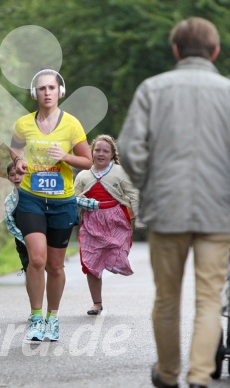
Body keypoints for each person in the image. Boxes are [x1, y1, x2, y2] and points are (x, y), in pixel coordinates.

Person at [118, 17, 230, 388]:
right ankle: (200, 377)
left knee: (167, 298)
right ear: (214, 51)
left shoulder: (152, 89)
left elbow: (130, 151)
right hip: (219, 213)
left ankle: (167, 373)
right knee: (210, 298)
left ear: (176, 50)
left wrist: (150, 187)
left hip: (166, 211)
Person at [10, 69, 92, 342]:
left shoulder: (72, 125)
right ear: (35, 93)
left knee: (55, 266)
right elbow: (15, 150)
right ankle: (35, 318)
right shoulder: (23, 124)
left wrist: (65, 156)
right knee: (37, 259)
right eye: (42, 88)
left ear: (60, 92)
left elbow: (88, 161)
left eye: (51, 88)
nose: (47, 93)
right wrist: (19, 161)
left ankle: (52, 319)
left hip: (61, 202)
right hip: (31, 197)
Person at [73, 135, 139, 315]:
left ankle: (113, 263)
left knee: (117, 253)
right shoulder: (83, 175)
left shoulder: (119, 172)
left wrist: (139, 218)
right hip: (91, 222)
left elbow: (134, 194)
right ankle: (97, 303)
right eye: (97, 150)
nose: (101, 154)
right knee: (90, 262)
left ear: (111, 154)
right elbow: (72, 198)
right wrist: (82, 201)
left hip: (115, 221)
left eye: (105, 151)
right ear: (92, 152)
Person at [4, 161, 30, 319]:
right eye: (13, 175)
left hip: (43, 239)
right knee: (30, 273)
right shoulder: (10, 201)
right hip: (23, 242)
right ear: (8, 178)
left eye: (20, 174)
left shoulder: (37, 194)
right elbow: (10, 224)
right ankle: (36, 307)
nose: (16, 177)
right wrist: (27, 241)